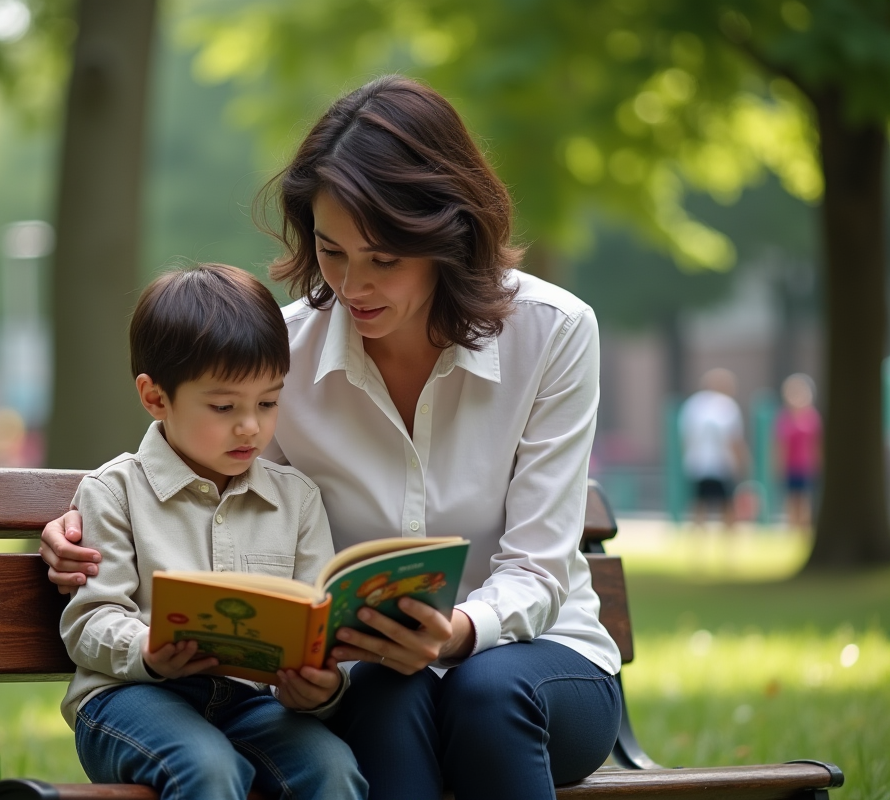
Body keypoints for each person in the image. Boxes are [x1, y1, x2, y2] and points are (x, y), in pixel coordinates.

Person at [42, 76, 622, 800]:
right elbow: (183, 469)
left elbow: (539, 566)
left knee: (483, 693)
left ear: (449, 235)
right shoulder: (281, 355)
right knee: (385, 696)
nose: (352, 286)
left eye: (384, 258)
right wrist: (70, 528)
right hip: (370, 675)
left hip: (537, 662)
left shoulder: (554, 331)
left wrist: (457, 633)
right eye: (331, 250)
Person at [59, 263, 366, 800]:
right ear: (155, 398)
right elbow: (89, 622)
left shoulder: (296, 499)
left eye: (268, 403)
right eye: (224, 407)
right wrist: (148, 649)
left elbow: (320, 623)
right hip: (129, 698)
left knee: (332, 767)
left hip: (251, 703)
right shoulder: (114, 492)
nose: (251, 426)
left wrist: (321, 686)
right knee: (206, 767)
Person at [679, 368, 749, 527]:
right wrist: (742, 464)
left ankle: (697, 545)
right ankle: (729, 547)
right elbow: (734, 440)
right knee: (727, 507)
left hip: (697, 465)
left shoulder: (692, 405)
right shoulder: (727, 406)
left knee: (699, 506)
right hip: (722, 465)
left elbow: (685, 438)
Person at [774, 373, 821, 529]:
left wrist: (819, 464)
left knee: (805, 500)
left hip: (807, 466)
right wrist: (779, 465)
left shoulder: (812, 417)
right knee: (792, 499)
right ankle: (793, 527)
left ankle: (804, 529)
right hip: (790, 466)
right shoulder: (784, 418)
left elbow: (817, 444)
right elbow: (780, 445)